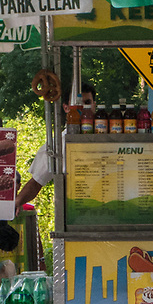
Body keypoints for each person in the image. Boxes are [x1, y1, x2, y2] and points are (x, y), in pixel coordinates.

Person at [15, 83, 96, 211]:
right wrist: (18, 202)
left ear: (94, 105)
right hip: (73, 216)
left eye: (87, 102)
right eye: (77, 103)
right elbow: (36, 182)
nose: (83, 108)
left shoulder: (108, 136)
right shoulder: (57, 144)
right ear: (66, 107)